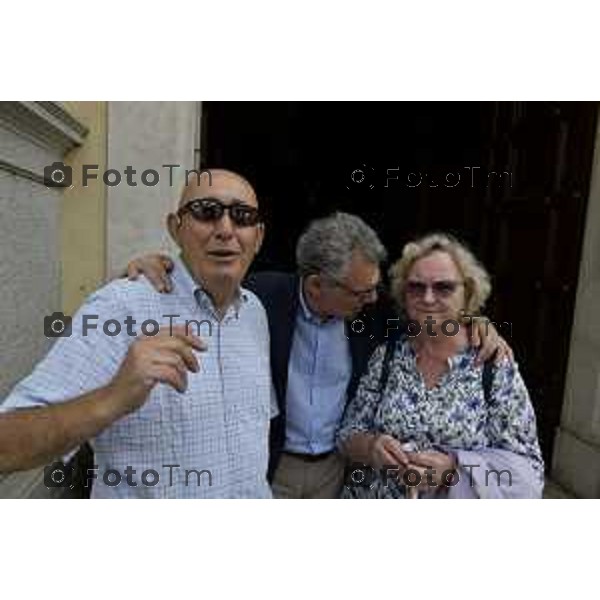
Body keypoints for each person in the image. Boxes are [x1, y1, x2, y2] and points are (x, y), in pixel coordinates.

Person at [128, 214, 511, 499]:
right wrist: (155, 267)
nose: (372, 299)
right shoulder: (260, 297)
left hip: (337, 472)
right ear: (316, 285)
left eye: (374, 289)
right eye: (360, 292)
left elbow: (435, 317)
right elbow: (201, 284)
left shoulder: (374, 318)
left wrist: (477, 322)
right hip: (272, 467)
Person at [0, 169, 276, 498]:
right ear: (176, 228)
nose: (226, 229)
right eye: (207, 212)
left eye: (242, 217)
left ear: (257, 237)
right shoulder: (120, 307)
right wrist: (113, 398)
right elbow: (7, 444)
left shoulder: (255, 312)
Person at [337, 233, 544, 499]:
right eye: (416, 287)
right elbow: (347, 434)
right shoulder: (386, 356)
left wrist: (454, 470)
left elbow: (529, 469)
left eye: (444, 287)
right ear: (403, 293)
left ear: (467, 292)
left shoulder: (493, 366)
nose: (428, 298)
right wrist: (371, 447)